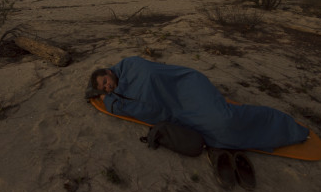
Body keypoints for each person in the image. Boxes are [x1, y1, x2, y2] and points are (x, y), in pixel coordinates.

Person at [90, 56, 309, 151]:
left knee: (226, 119)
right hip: (177, 109)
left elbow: (150, 82)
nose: (108, 88)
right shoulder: (118, 96)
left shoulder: (131, 65)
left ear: (109, 71)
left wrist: (110, 100)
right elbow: (142, 110)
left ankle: (284, 126)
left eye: (106, 82)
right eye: (105, 88)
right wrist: (109, 99)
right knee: (216, 129)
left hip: (187, 85)